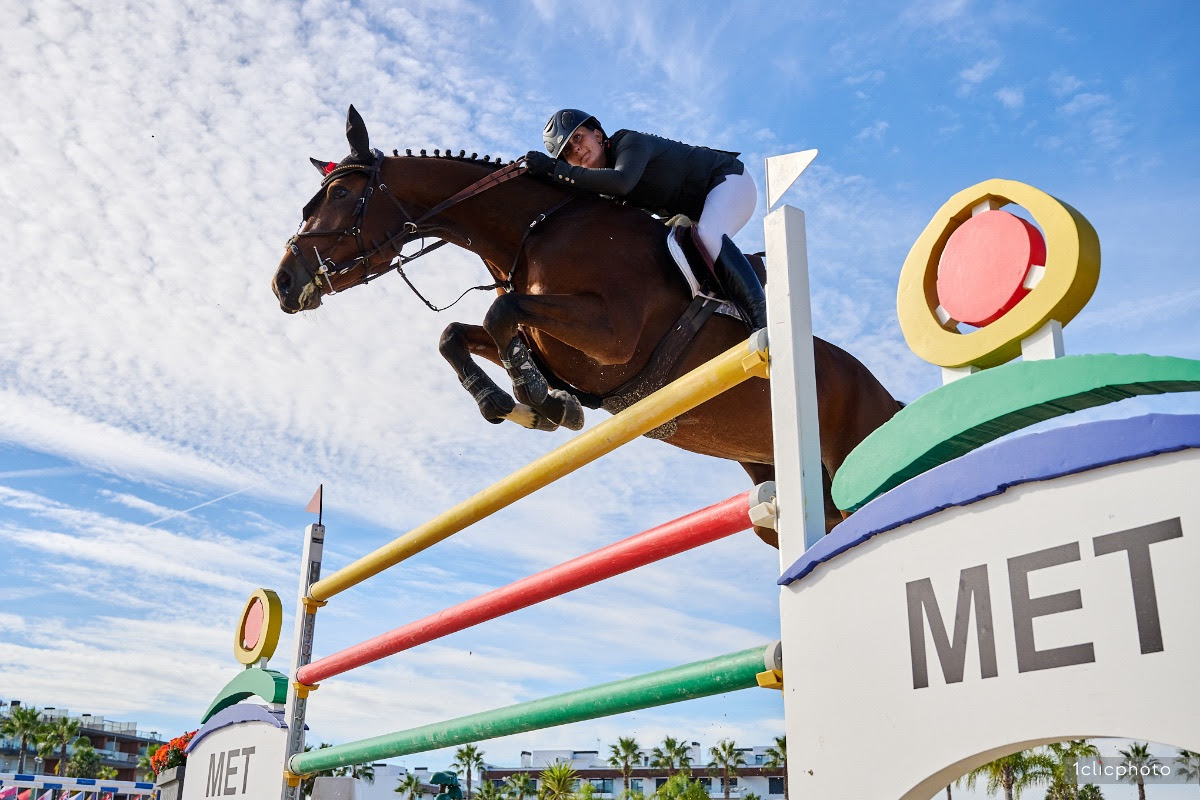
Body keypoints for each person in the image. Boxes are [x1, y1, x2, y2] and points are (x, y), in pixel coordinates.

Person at [523, 109, 767, 332]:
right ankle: (720, 305)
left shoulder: (629, 142)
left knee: (708, 237)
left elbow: (621, 181)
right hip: (692, 214)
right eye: (567, 151)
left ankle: (761, 320)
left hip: (728, 180)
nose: (575, 149)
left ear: (597, 135)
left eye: (578, 138)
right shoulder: (602, 191)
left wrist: (555, 170)